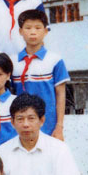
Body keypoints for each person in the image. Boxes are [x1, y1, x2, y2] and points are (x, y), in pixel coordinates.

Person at [12, 9, 68, 139]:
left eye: (38, 28)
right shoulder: (12, 61)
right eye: (28, 28)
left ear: (45, 31)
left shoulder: (55, 60)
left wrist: (59, 127)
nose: (33, 32)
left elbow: (61, 94)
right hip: (21, 126)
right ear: (20, 31)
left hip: (48, 126)